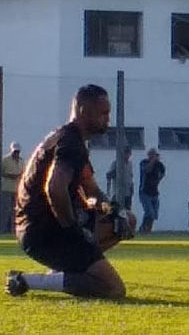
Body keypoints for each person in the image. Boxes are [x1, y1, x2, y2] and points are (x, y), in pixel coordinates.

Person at [5, 84, 135, 299]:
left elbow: (92, 192)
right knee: (113, 289)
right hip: (42, 231)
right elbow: (54, 188)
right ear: (84, 111)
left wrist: (112, 210)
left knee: (125, 221)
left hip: (37, 227)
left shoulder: (69, 139)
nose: (107, 119)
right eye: (103, 113)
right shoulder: (70, 143)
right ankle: (27, 280)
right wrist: (73, 229)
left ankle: (63, 271)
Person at [138, 148, 166, 234]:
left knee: (154, 214)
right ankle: (143, 227)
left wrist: (158, 180)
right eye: (152, 155)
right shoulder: (144, 163)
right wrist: (153, 161)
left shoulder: (159, 165)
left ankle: (148, 229)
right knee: (149, 212)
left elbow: (163, 173)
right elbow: (147, 170)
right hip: (144, 191)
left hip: (154, 192)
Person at [2, 142, 24, 234]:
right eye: (15, 151)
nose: (16, 153)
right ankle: (2, 231)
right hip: (6, 189)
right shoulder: (5, 160)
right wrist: (10, 176)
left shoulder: (22, 161)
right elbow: (1, 172)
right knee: (5, 211)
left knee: (15, 212)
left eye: (17, 152)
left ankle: (13, 231)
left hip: (17, 190)